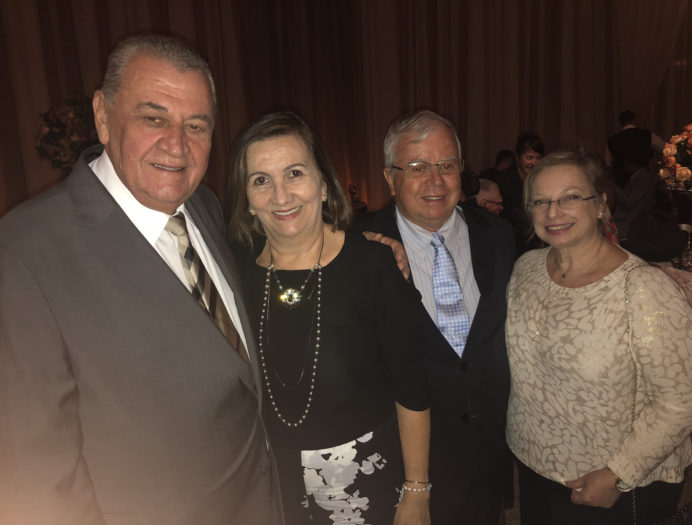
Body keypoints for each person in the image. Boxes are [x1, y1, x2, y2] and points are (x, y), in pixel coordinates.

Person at [0, 35, 282, 525]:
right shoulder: (26, 252)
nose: (177, 145)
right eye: (153, 118)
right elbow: (37, 475)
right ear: (104, 116)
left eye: (196, 125)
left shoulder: (204, 205)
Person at [224, 111, 431, 525]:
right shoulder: (233, 270)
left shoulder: (372, 265)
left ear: (322, 183)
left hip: (362, 478)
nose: (281, 196)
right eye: (261, 180)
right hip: (270, 480)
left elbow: (413, 388)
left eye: (295, 173)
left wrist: (417, 491)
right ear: (246, 198)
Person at [506, 151, 692, 525]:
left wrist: (618, 473)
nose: (554, 211)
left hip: (613, 484)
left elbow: (685, 398)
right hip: (533, 466)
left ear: (600, 205)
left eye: (571, 197)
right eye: (541, 201)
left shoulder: (642, 289)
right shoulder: (525, 269)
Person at [354, 110, 515, 525]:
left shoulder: (498, 236)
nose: (435, 181)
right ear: (390, 178)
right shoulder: (358, 250)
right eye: (417, 167)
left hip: (487, 454)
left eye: (447, 165)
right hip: (405, 464)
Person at [485, 131, 544, 255]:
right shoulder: (502, 181)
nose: (534, 162)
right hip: (509, 246)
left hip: (536, 246)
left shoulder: (543, 180)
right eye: (529, 158)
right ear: (518, 158)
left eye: (537, 158)